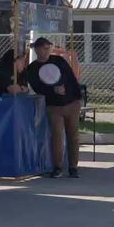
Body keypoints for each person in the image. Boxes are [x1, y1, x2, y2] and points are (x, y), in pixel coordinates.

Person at [25, 37, 84, 179]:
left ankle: (73, 167)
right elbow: (37, 87)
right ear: (37, 50)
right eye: (44, 48)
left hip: (71, 103)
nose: (47, 51)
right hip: (53, 106)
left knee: (73, 136)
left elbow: (70, 78)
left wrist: (77, 97)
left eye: (48, 48)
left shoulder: (59, 61)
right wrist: (53, 90)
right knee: (57, 137)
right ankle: (58, 167)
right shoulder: (32, 68)